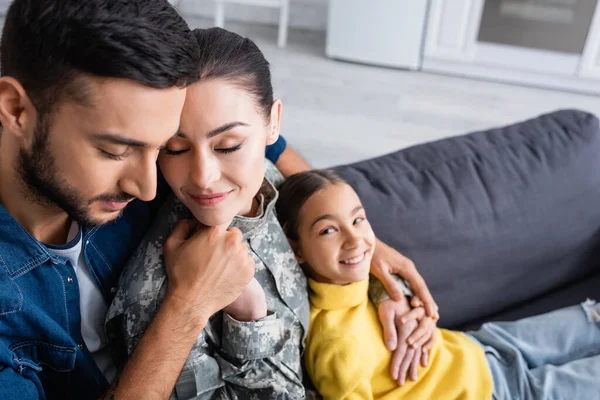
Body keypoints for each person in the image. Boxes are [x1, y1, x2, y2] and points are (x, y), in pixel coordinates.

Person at [106, 27, 440, 399]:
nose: (203, 177)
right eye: (176, 149)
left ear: (273, 125)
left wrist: (393, 298)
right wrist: (248, 319)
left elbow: (331, 232)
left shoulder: (271, 182)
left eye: (229, 146)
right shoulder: (154, 294)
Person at [276, 169, 600, 400]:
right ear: (297, 249)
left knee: (590, 320)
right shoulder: (336, 344)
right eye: (328, 231)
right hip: (493, 393)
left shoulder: (364, 280)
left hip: (476, 348)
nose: (355, 240)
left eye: (358, 219)